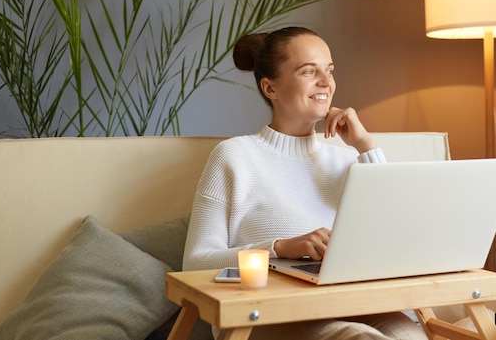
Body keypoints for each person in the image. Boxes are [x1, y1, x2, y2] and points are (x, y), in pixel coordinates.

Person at [183, 26, 427, 340]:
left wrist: (366, 145)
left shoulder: (345, 162)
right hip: (261, 314)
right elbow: (195, 263)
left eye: (329, 70)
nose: (326, 82)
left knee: (412, 336)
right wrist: (280, 248)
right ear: (270, 88)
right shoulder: (234, 156)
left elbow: (399, 235)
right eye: (309, 71)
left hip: (347, 303)